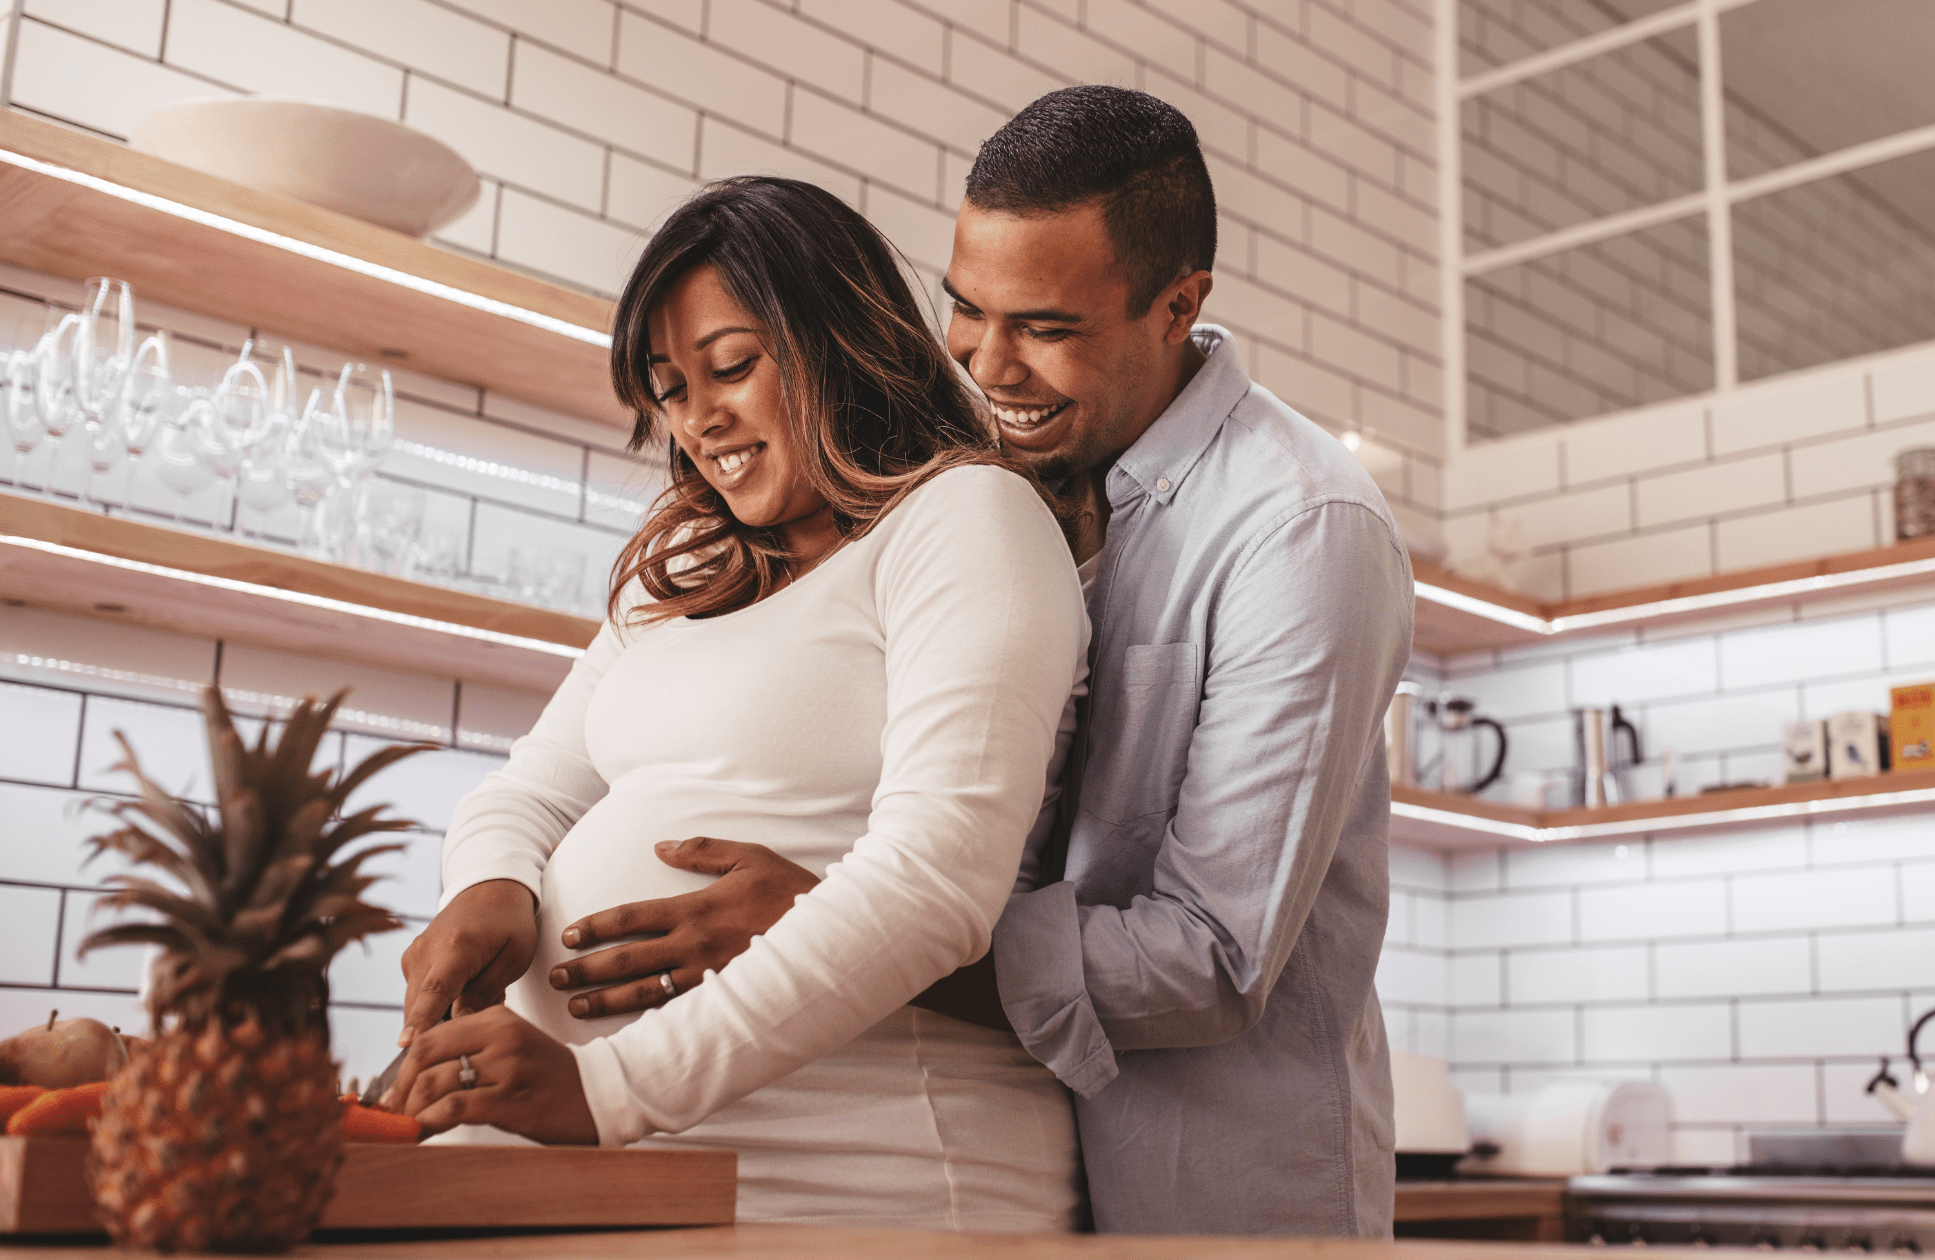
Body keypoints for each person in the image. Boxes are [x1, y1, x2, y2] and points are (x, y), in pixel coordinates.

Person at [455, 86, 1416, 1237]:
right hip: (1002, 1135)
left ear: (1177, 306)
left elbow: (1206, 958)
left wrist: (816, 922)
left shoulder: (1297, 530)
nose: (988, 366)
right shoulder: (1015, 477)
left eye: (1045, 328)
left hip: (1203, 1179)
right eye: (966, 310)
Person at [379, 175, 1091, 1232]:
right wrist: (491, 882)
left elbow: (936, 882)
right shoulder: (685, 560)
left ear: (839, 341)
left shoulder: (963, 521)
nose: (698, 419)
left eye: (730, 368)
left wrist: (606, 1088)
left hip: (851, 1181)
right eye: (668, 388)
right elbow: (530, 788)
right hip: (610, 1176)